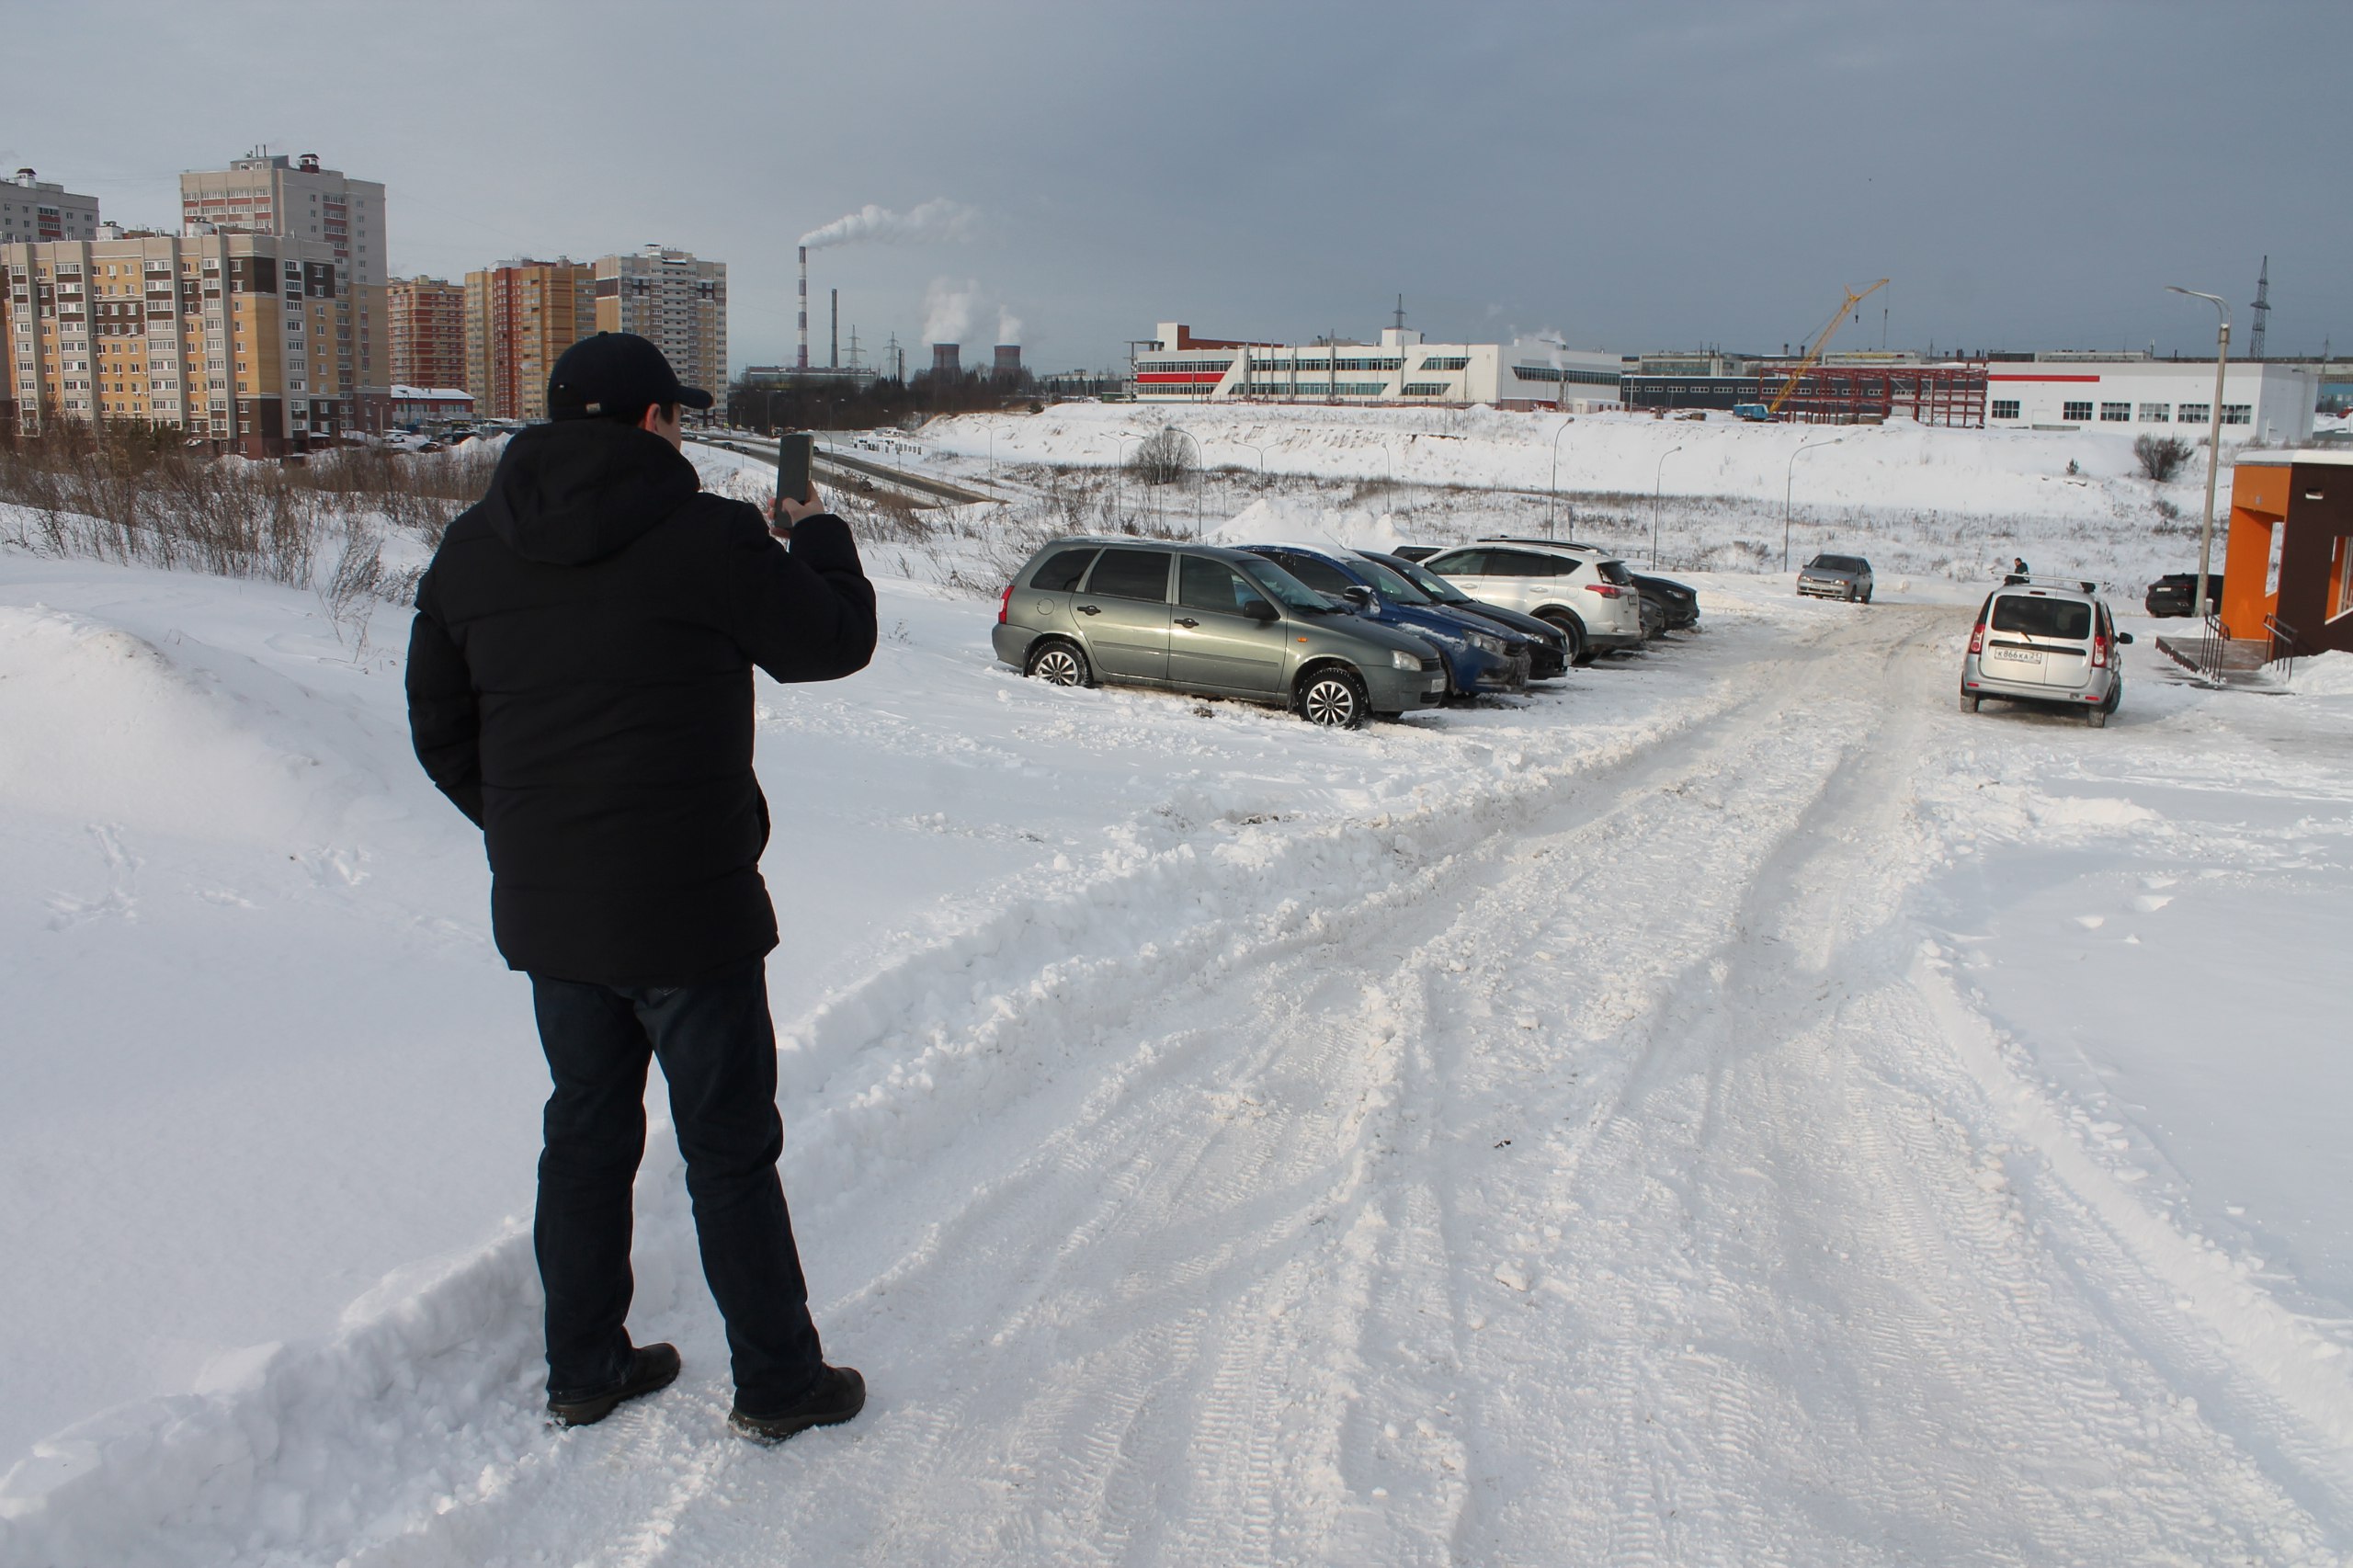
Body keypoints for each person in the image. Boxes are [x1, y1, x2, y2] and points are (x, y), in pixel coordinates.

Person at [405, 333, 877, 1443]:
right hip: (689, 909)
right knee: (726, 1149)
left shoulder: (472, 549)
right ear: (654, 422)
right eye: (675, 414)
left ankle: (585, 1366)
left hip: (554, 914)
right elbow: (834, 640)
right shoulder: (709, 535)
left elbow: (439, 732)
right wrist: (816, 534)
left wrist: (532, 831)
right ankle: (776, 1382)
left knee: (583, 1133)